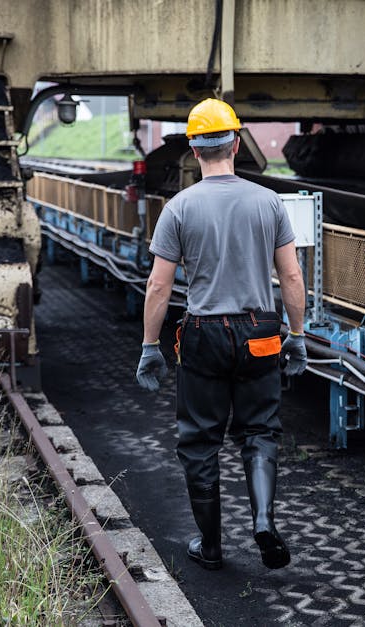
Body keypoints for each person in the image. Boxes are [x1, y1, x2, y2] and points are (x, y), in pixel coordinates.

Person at [135, 98, 308, 571]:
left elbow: (159, 283)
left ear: (193, 149)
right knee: (260, 431)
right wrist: (297, 334)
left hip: (204, 334)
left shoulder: (179, 208)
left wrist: (151, 347)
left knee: (199, 441)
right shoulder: (268, 202)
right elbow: (291, 278)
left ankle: (211, 546)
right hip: (260, 333)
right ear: (236, 143)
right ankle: (263, 520)